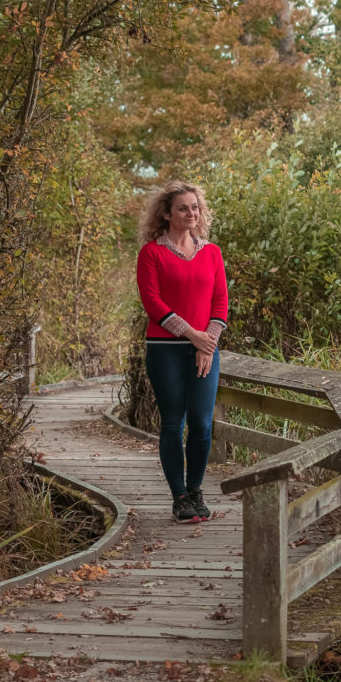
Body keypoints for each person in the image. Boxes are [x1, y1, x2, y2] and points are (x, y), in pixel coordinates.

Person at [136, 181, 228, 523]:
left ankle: (195, 490)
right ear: (166, 214)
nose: (191, 213)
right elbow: (153, 303)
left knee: (202, 424)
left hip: (205, 349)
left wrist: (209, 343)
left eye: (195, 207)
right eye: (183, 208)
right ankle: (179, 497)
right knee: (173, 423)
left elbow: (220, 301)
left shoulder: (212, 253)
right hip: (165, 350)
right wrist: (194, 336)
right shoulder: (151, 254)